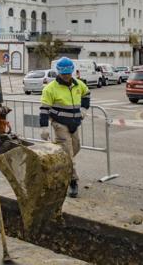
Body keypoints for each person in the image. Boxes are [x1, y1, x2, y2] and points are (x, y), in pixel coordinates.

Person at [39, 57, 90, 198]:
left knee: (75, 148)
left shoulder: (79, 85)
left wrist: (84, 109)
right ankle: (72, 182)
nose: (66, 76)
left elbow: (86, 94)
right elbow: (44, 109)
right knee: (68, 154)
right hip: (60, 124)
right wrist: (43, 127)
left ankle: (61, 167)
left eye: (68, 73)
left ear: (72, 71)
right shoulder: (50, 89)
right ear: (59, 72)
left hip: (75, 123)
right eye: (63, 74)